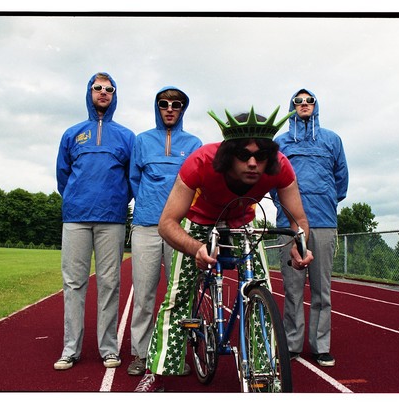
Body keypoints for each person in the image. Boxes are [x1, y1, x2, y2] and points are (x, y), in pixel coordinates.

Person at [134, 106, 314, 392]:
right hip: (201, 221)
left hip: (242, 222)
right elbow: (167, 223)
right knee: (179, 294)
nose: (254, 163)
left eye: (261, 156)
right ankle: (157, 373)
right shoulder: (200, 161)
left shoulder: (279, 165)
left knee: (261, 286)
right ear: (228, 154)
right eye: (244, 155)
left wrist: (299, 244)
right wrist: (196, 248)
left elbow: (298, 218)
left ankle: (264, 373)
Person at [54, 72, 135, 371]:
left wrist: (115, 200)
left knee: (109, 284)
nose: (103, 92)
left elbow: (131, 178)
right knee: (73, 284)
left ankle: (108, 349)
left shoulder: (127, 136)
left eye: (109, 89)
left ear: (114, 95)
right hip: (75, 217)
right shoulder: (72, 133)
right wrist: (76, 198)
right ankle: (70, 349)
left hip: (111, 219)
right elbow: (63, 176)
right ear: (88, 92)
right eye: (97, 88)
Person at [127, 87, 202, 376]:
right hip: (146, 226)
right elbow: (135, 179)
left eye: (176, 104)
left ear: (183, 109)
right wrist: (150, 205)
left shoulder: (193, 142)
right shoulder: (142, 141)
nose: (170, 109)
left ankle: (174, 355)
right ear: (157, 107)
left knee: (179, 295)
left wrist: (179, 216)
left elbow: (198, 183)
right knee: (144, 295)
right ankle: (141, 354)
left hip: (180, 228)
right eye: (164, 104)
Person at [270, 89, 348, 367]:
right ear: (292, 106)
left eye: (309, 101)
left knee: (321, 289)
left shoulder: (332, 140)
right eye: (298, 101)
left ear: (316, 105)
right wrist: (288, 210)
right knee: (292, 289)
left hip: (324, 221)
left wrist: (323, 199)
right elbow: (272, 182)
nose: (304, 105)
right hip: (289, 225)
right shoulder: (281, 142)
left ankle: (321, 345)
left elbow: (341, 182)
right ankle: (292, 344)